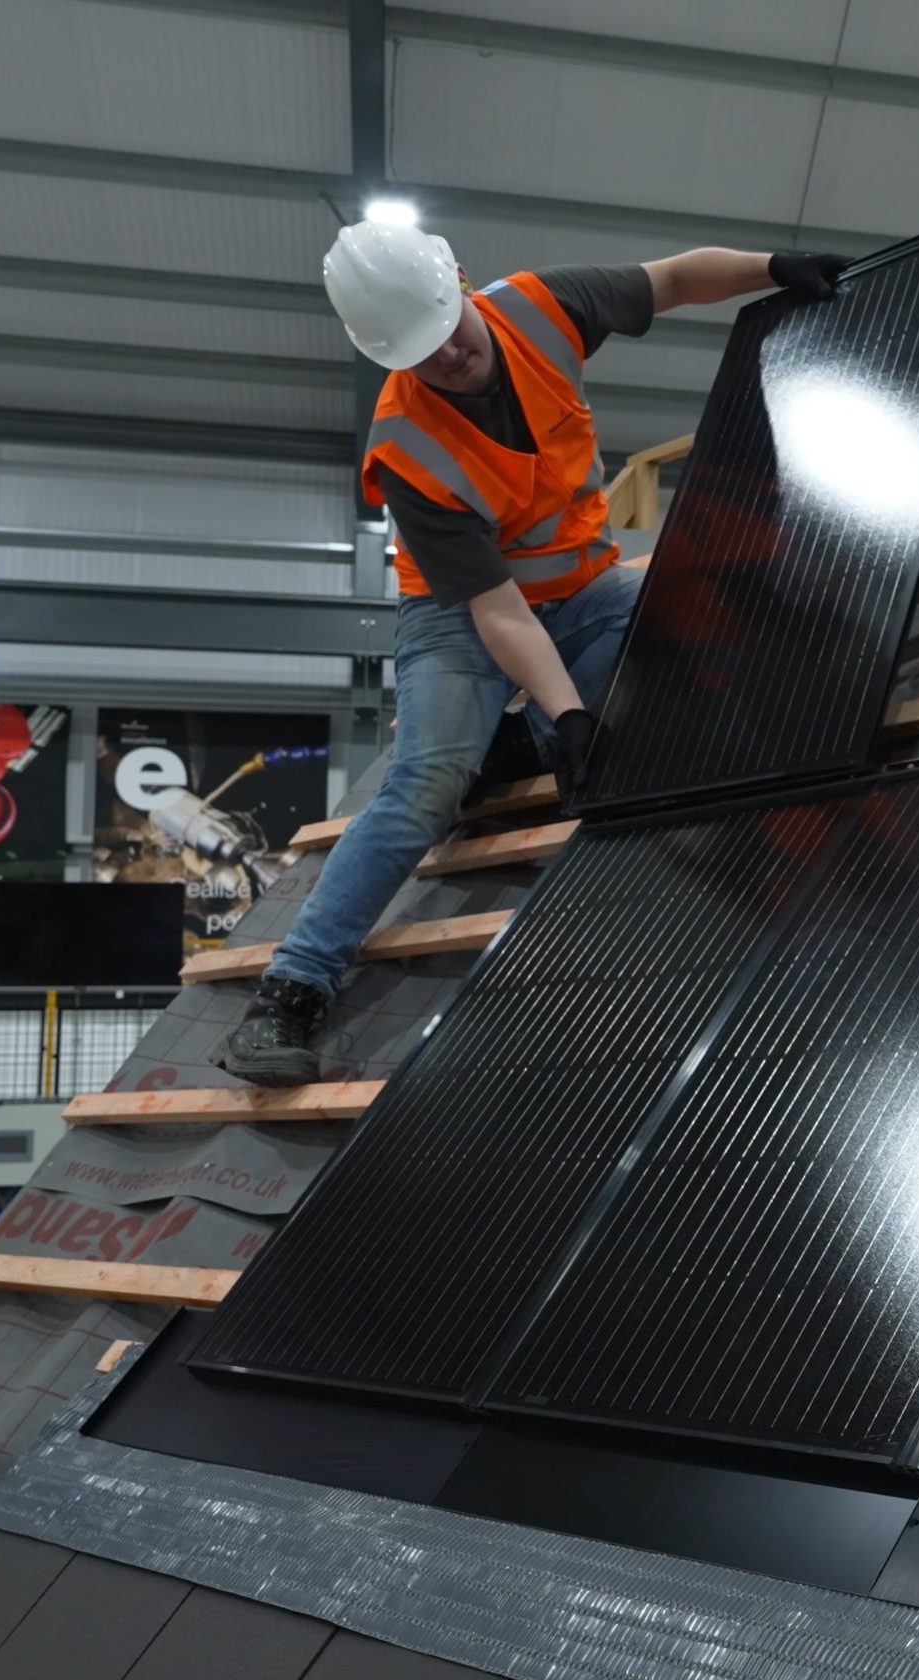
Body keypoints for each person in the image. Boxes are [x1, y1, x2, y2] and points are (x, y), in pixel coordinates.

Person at [217, 223, 847, 1086]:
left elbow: (669, 280)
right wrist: (572, 713)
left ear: (463, 283)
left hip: (587, 588)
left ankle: (510, 745)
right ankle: (292, 988)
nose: (447, 358)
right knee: (426, 784)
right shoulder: (406, 449)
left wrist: (771, 267)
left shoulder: (542, 307)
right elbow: (496, 610)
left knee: (693, 639)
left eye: (450, 332)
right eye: (422, 354)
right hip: (461, 619)